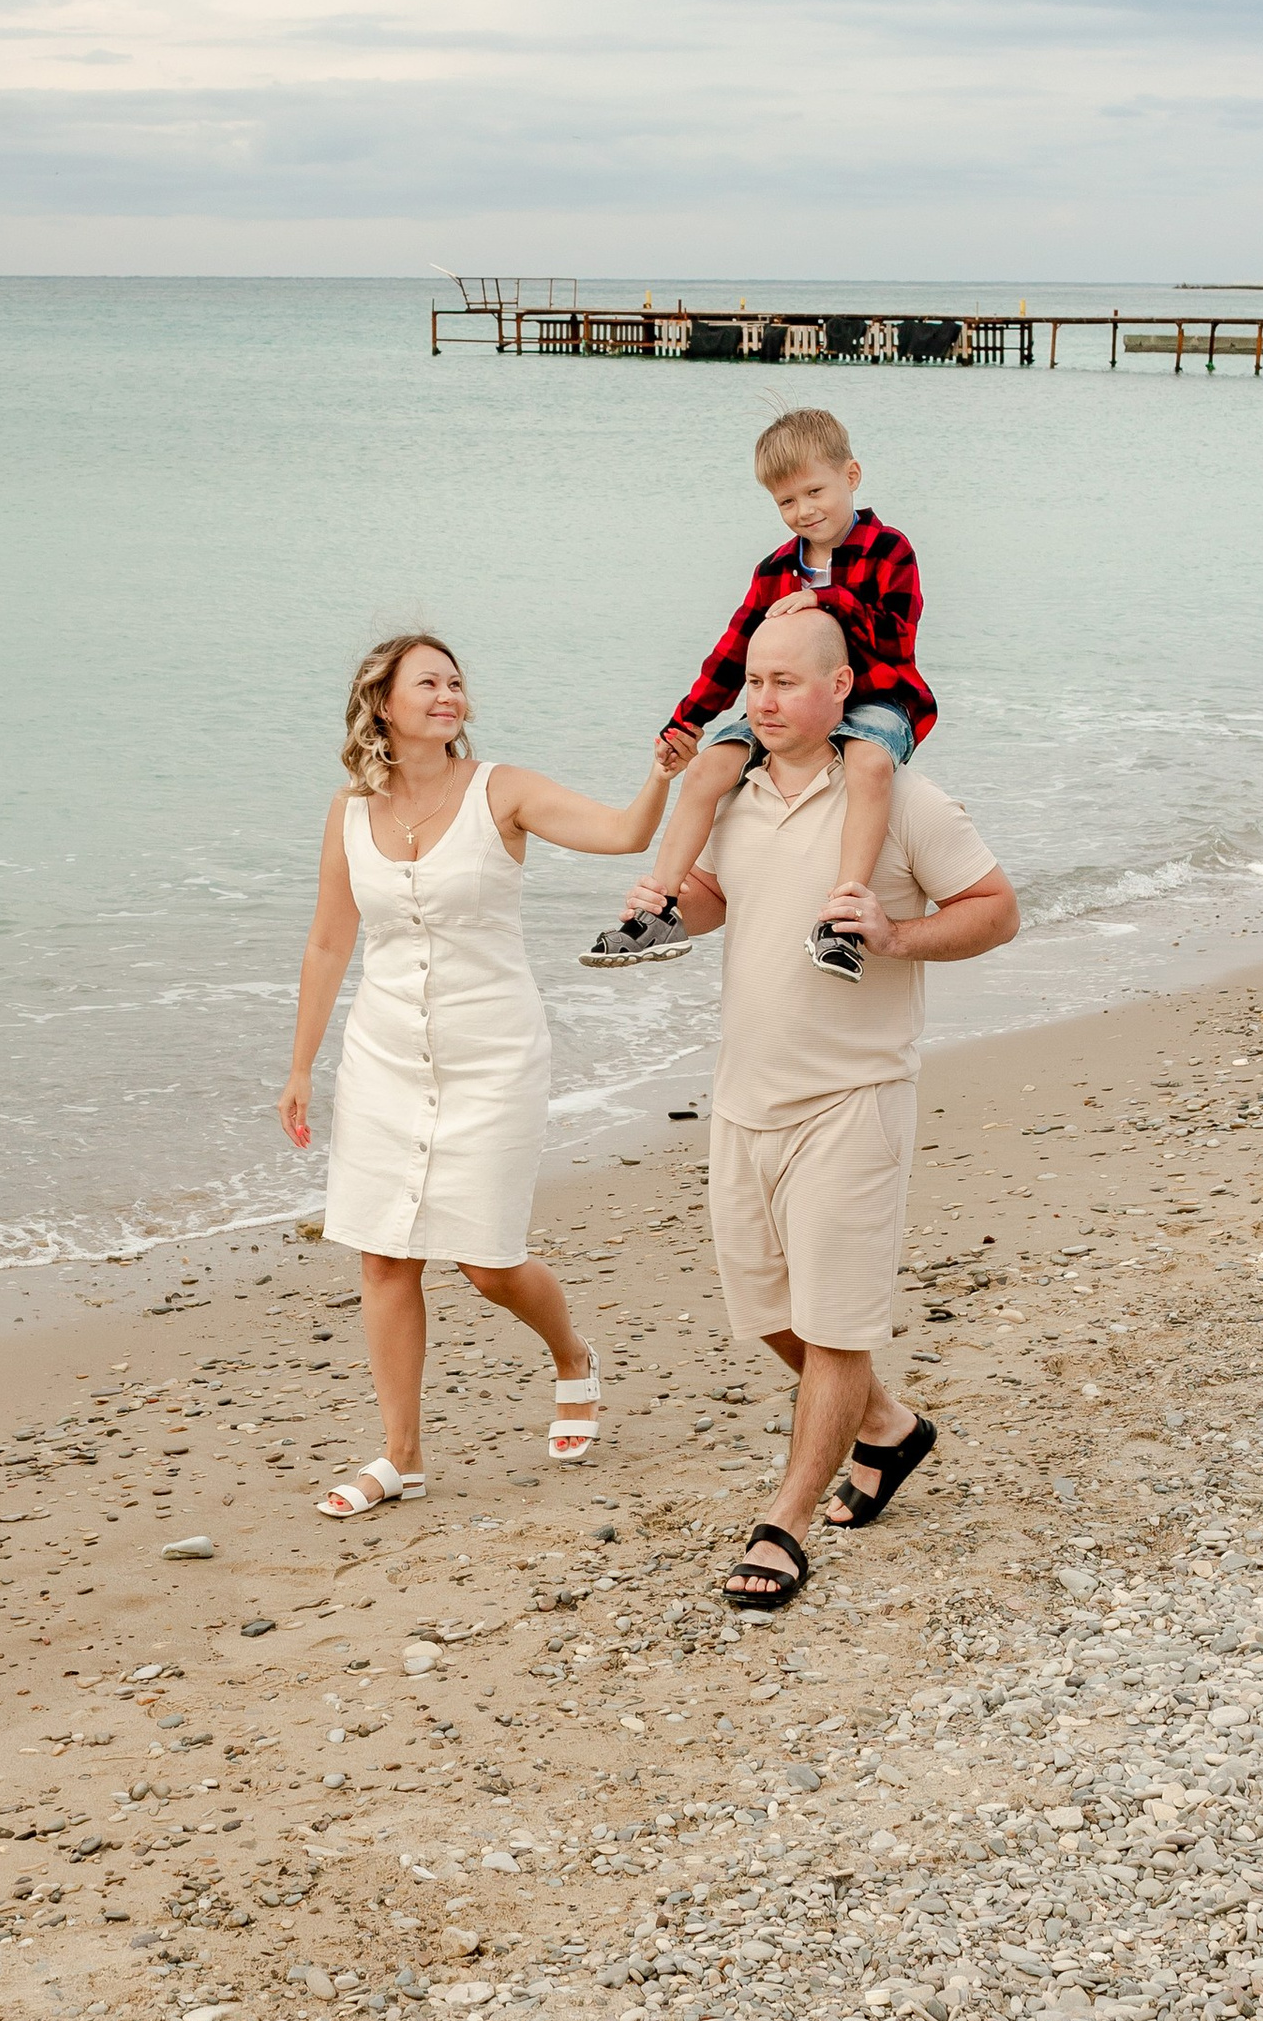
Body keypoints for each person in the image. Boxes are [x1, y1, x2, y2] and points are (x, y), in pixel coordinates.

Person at [665, 605, 1016, 1612]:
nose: (763, 700)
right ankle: (890, 1430)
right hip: (744, 1098)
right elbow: (711, 896)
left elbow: (997, 909)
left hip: (853, 1096)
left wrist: (897, 935)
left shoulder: (900, 799)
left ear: (838, 691)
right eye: (753, 683)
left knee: (832, 1324)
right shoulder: (731, 788)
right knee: (766, 1312)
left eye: (785, 683)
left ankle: (785, 1521)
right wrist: (652, 910)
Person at [279, 631, 670, 1516]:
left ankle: (571, 1356)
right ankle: (400, 1457)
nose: (449, 695)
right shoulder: (349, 811)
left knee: (485, 1263)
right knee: (384, 1258)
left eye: (456, 682)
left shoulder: (504, 790)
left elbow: (621, 834)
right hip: (384, 1055)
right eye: (429, 683)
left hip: (492, 1053)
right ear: (384, 704)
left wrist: (661, 774)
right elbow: (329, 939)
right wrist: (301, 1065)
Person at [583, 406, 932, 987]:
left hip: (876, 697)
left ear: (852, 475)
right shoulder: (774, 568)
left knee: (869, 764)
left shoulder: (889, 549)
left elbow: (898, 639)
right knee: (708, 770)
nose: (804, 511)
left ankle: (842, 919)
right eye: (786, 502)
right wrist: (684, 725)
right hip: (784, 707)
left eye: (815, 491)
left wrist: (829, 601)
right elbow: (732, 655)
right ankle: (660, 909)